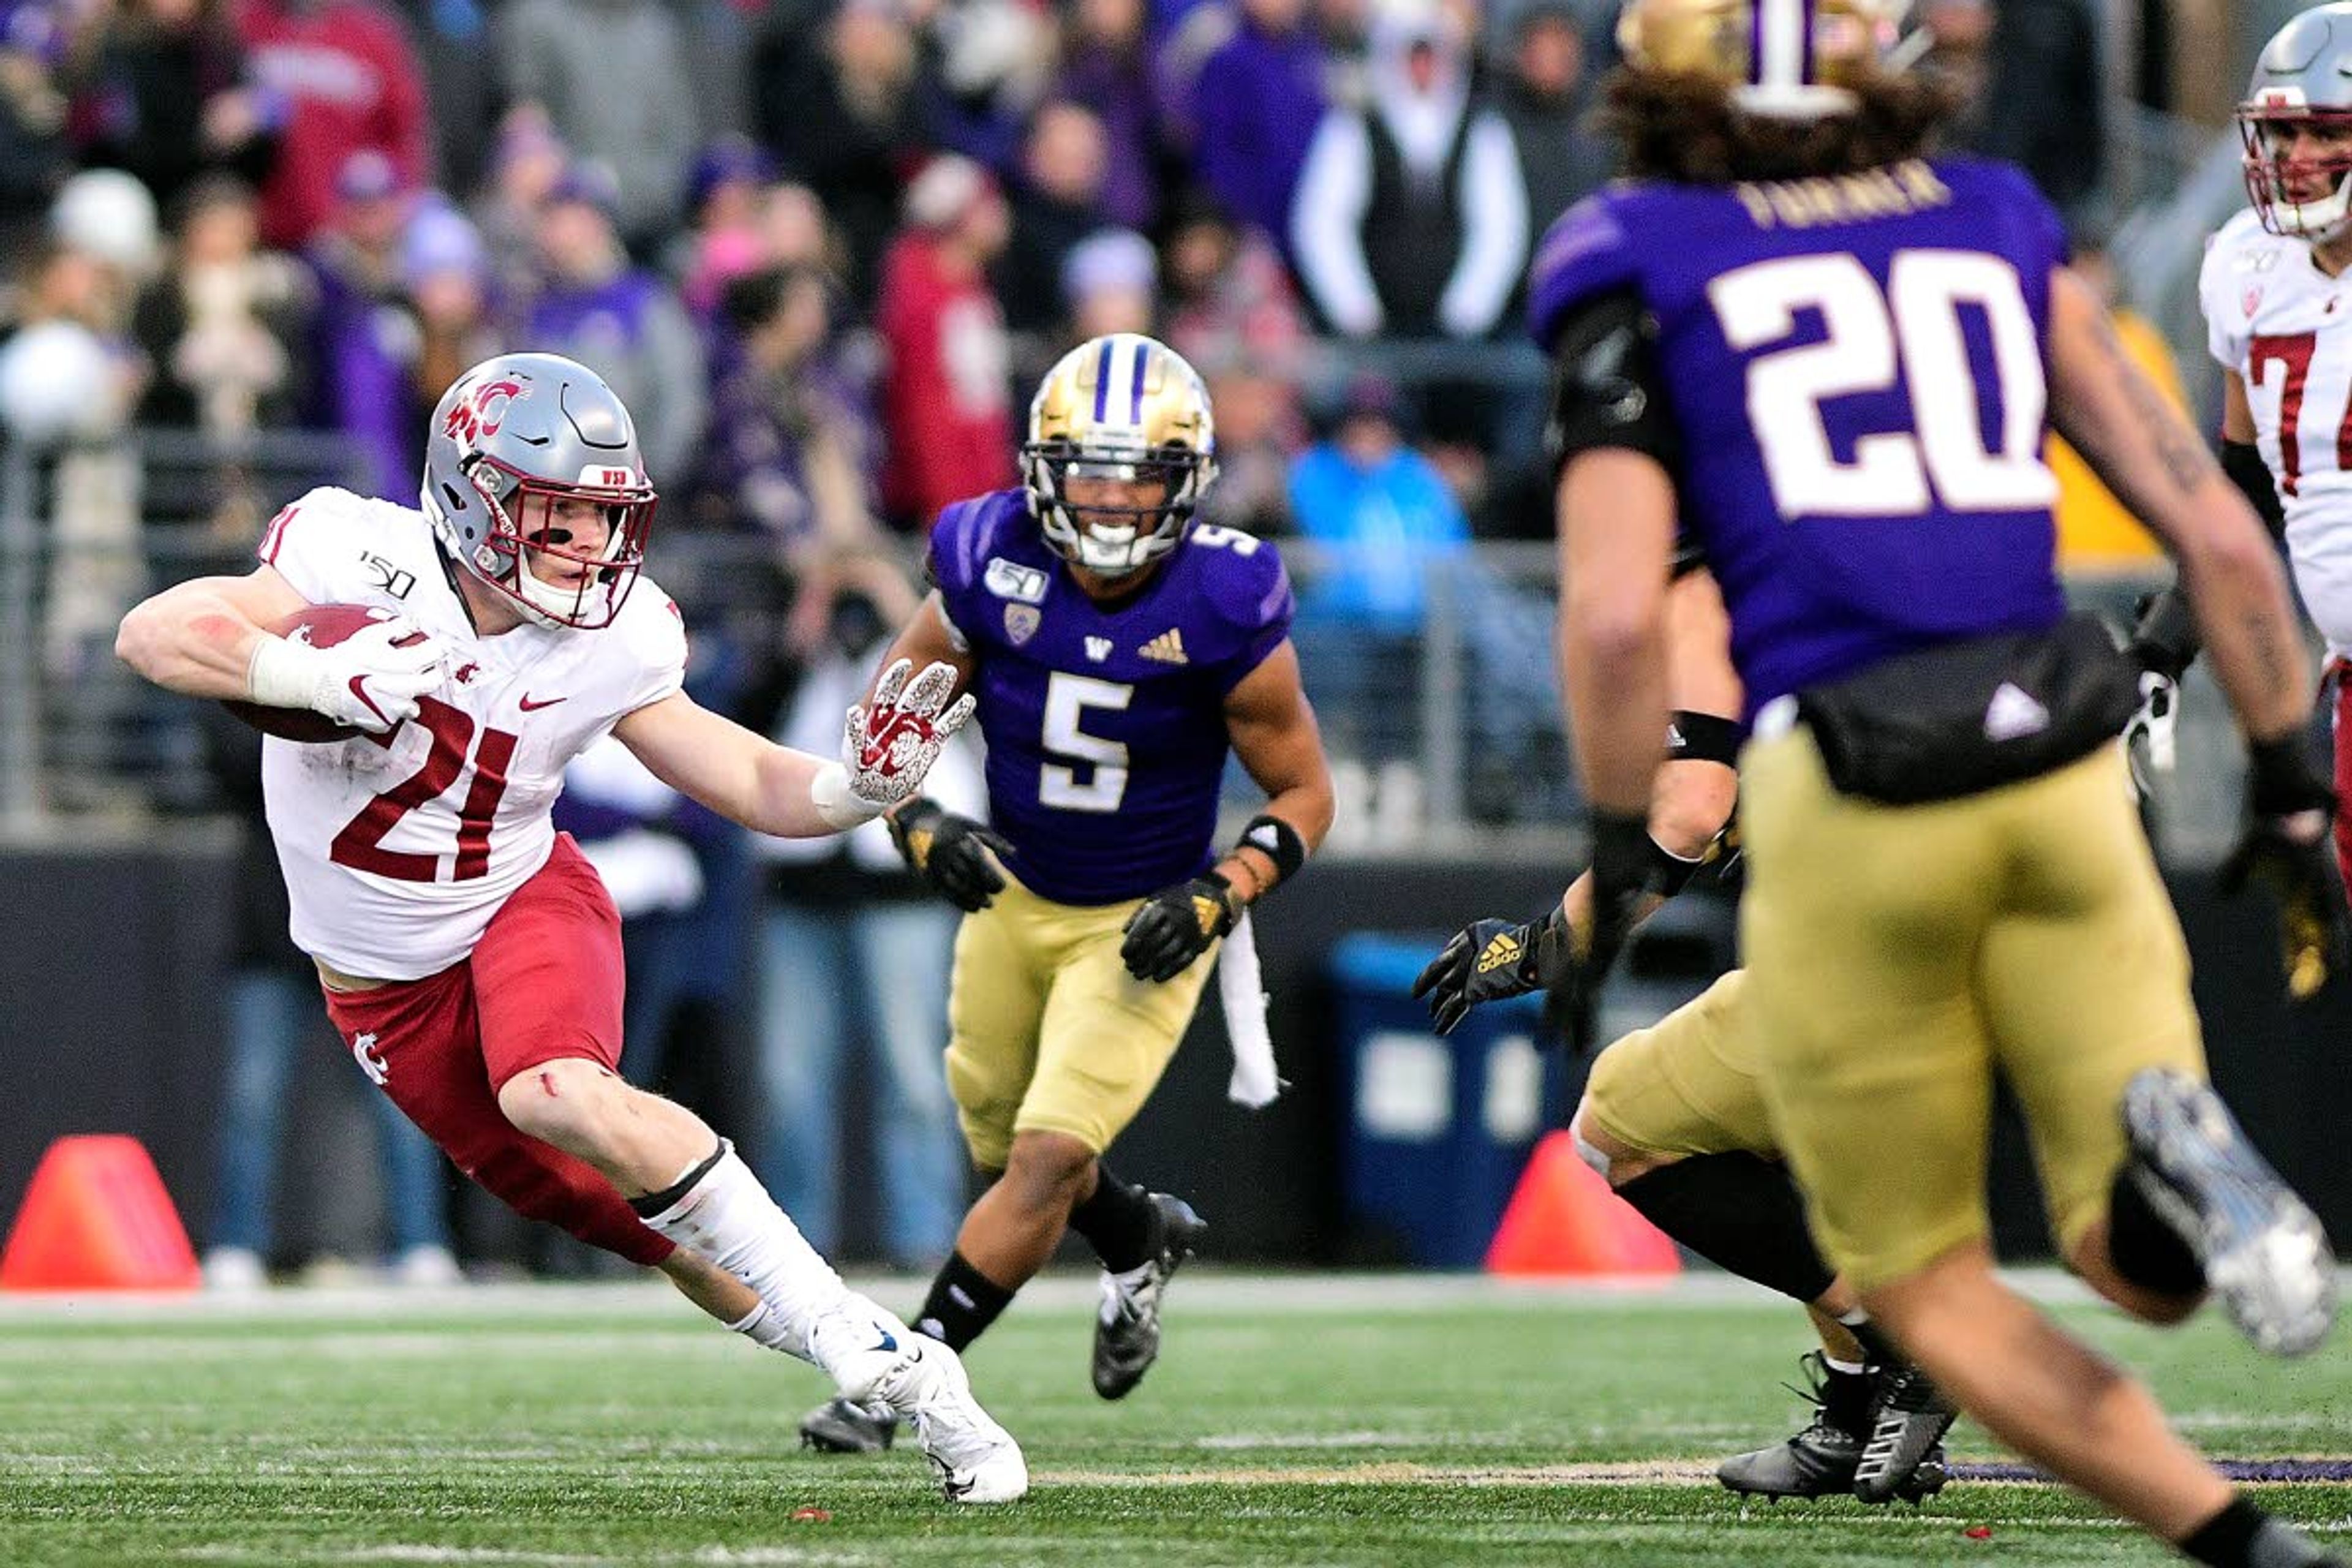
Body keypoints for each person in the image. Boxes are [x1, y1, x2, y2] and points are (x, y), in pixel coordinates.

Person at [1526, 2, 2350, 1564]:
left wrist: (1612, 839)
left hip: (1859, 783)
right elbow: (2222, 530)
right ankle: (2186, 1164)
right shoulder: (1988, 217)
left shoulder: (1628, 249)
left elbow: (1620, 610)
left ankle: (2246, 1548)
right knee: (2133, 1254)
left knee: (1929, 1283)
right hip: (2061, 758)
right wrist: (2290, 788)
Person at [113, 350, 1027, 1506]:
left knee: (554, 1087)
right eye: (560, 514)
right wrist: (305, 673)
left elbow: (744, 777)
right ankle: (894, 1358)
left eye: (604, 517)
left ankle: (863, 1350)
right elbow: (154, 631)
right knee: (656, 1236)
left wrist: (857, 791)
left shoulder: (619, 635)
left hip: (521, 898)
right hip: (383, 986)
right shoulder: (357, 551)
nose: (592, 545)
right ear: (472, 496)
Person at [799, 331, 1335, 1452]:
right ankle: (1138, 1236)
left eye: (1139, 475)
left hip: (1142, 923)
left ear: (1185, 485)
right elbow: (890, 716)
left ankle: (895, 1384)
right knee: (1011, 1161)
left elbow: (1304, 793)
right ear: (1043, 468)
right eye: (1090, 470)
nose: (1111, 499)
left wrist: (1220, 892)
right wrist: (910, 819)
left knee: (1043, 1160)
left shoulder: (1227, 595)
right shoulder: (985, 551)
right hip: (1012, 893)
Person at [1413, 564, 1958, 1504]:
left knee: (1619, 1125)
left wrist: (1552, 948)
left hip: (1876, 950)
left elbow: (1690, 811)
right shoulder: (1846, 565)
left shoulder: (1713, 576)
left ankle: (1907, 1352)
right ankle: (1861, 1410)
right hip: (1981, 927)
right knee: (1783, 1157)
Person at [2203, 2, 2352, 919]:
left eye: (2322, 130)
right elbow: (2243, 490)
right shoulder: (2245, 267)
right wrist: (2165, 647)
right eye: (2281, 130)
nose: (2293, 155)